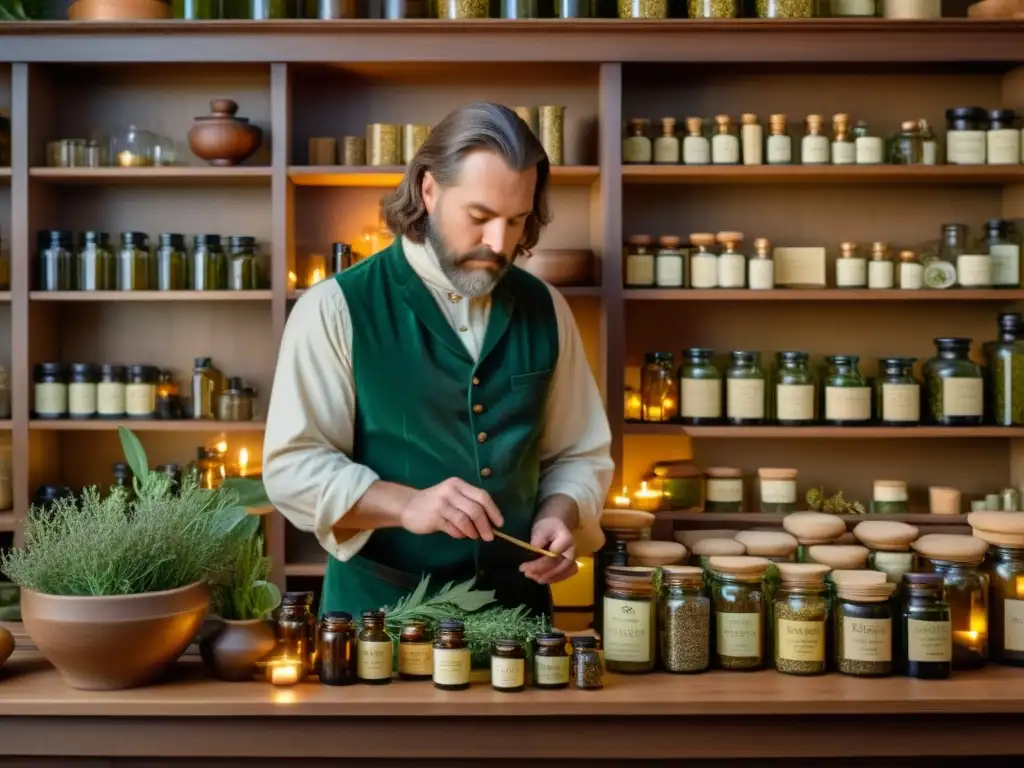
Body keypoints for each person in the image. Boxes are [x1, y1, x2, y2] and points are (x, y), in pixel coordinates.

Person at [263, 102, 613, 618]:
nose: (499, 243)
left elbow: (577, 453)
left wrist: (562, 513)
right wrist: (407, 504)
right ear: (429, 191)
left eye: (516, 221)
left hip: (516, 617)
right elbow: (291, 467)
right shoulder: (334, 308)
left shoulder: (548, 308)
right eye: (480, 217)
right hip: (380, 620)